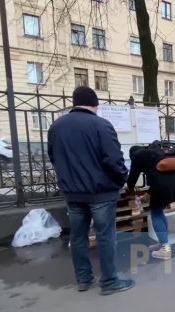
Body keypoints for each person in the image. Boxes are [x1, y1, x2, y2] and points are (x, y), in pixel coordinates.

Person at [48, 86, 135, 295]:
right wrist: (122, 179)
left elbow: (53, 157)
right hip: (101, 193)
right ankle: (109, 282)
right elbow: (114, 160)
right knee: (105, 236)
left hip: (73, 193)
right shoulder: (101, 125)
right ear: (95, 105)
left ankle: (84, 279)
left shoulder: (56, 127)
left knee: (78, 237)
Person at [127, 142, 175, 260]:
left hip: (163, 186)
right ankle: (164, 242)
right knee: (160, 211)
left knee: (156, 213)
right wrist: (147, 195)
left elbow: (133, 177)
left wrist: (130, 189)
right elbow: (159, 178)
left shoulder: (137, 156)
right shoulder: (155, 153)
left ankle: (165, 249)